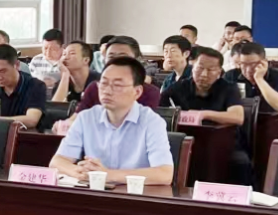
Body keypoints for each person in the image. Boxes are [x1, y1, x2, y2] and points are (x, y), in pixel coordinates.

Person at [50, 57, 174, 186]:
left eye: (118, 85)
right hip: (95, 192)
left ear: (137, 92)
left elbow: (164, 174)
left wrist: (107, 175)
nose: (107, 91)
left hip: (134, 194)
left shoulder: (152, 122)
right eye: (103, 83)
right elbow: (57, 161)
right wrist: (80, 172)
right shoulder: (86, 118)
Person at [75, 36, 161, 112]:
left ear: (137, 60)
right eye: (111, 57)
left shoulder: (149, 92)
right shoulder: (95, 88)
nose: (116, 61)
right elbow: (77, 117)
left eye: (123, 56)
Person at [159, 49, 244, 126]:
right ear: (193, 68)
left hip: (217, 135)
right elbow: (158, 111)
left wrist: (203, 114)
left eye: (210, 70)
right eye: (200, 68)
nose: (204, 74)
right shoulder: (178, 87)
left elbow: (238, 117)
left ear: (219, 72)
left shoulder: (229, 88)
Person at [0, 44, 47, 129]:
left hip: (24, 135)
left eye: (2, 71)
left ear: (17, 65)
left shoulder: (35, 86)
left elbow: (31, 120)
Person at [223, 42, 278, 112]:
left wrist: (259, 79)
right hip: (238, 117)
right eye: (243, 64)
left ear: (264, 62)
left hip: (268, 117)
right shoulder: (231, 75)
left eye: (253, 64)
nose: (248, 70)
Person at [30, 29, 65, 94]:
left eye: (53, 49)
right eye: (45, 48)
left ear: (62, 47)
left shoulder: (67, 61)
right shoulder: (36, 61)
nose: (48, 53)